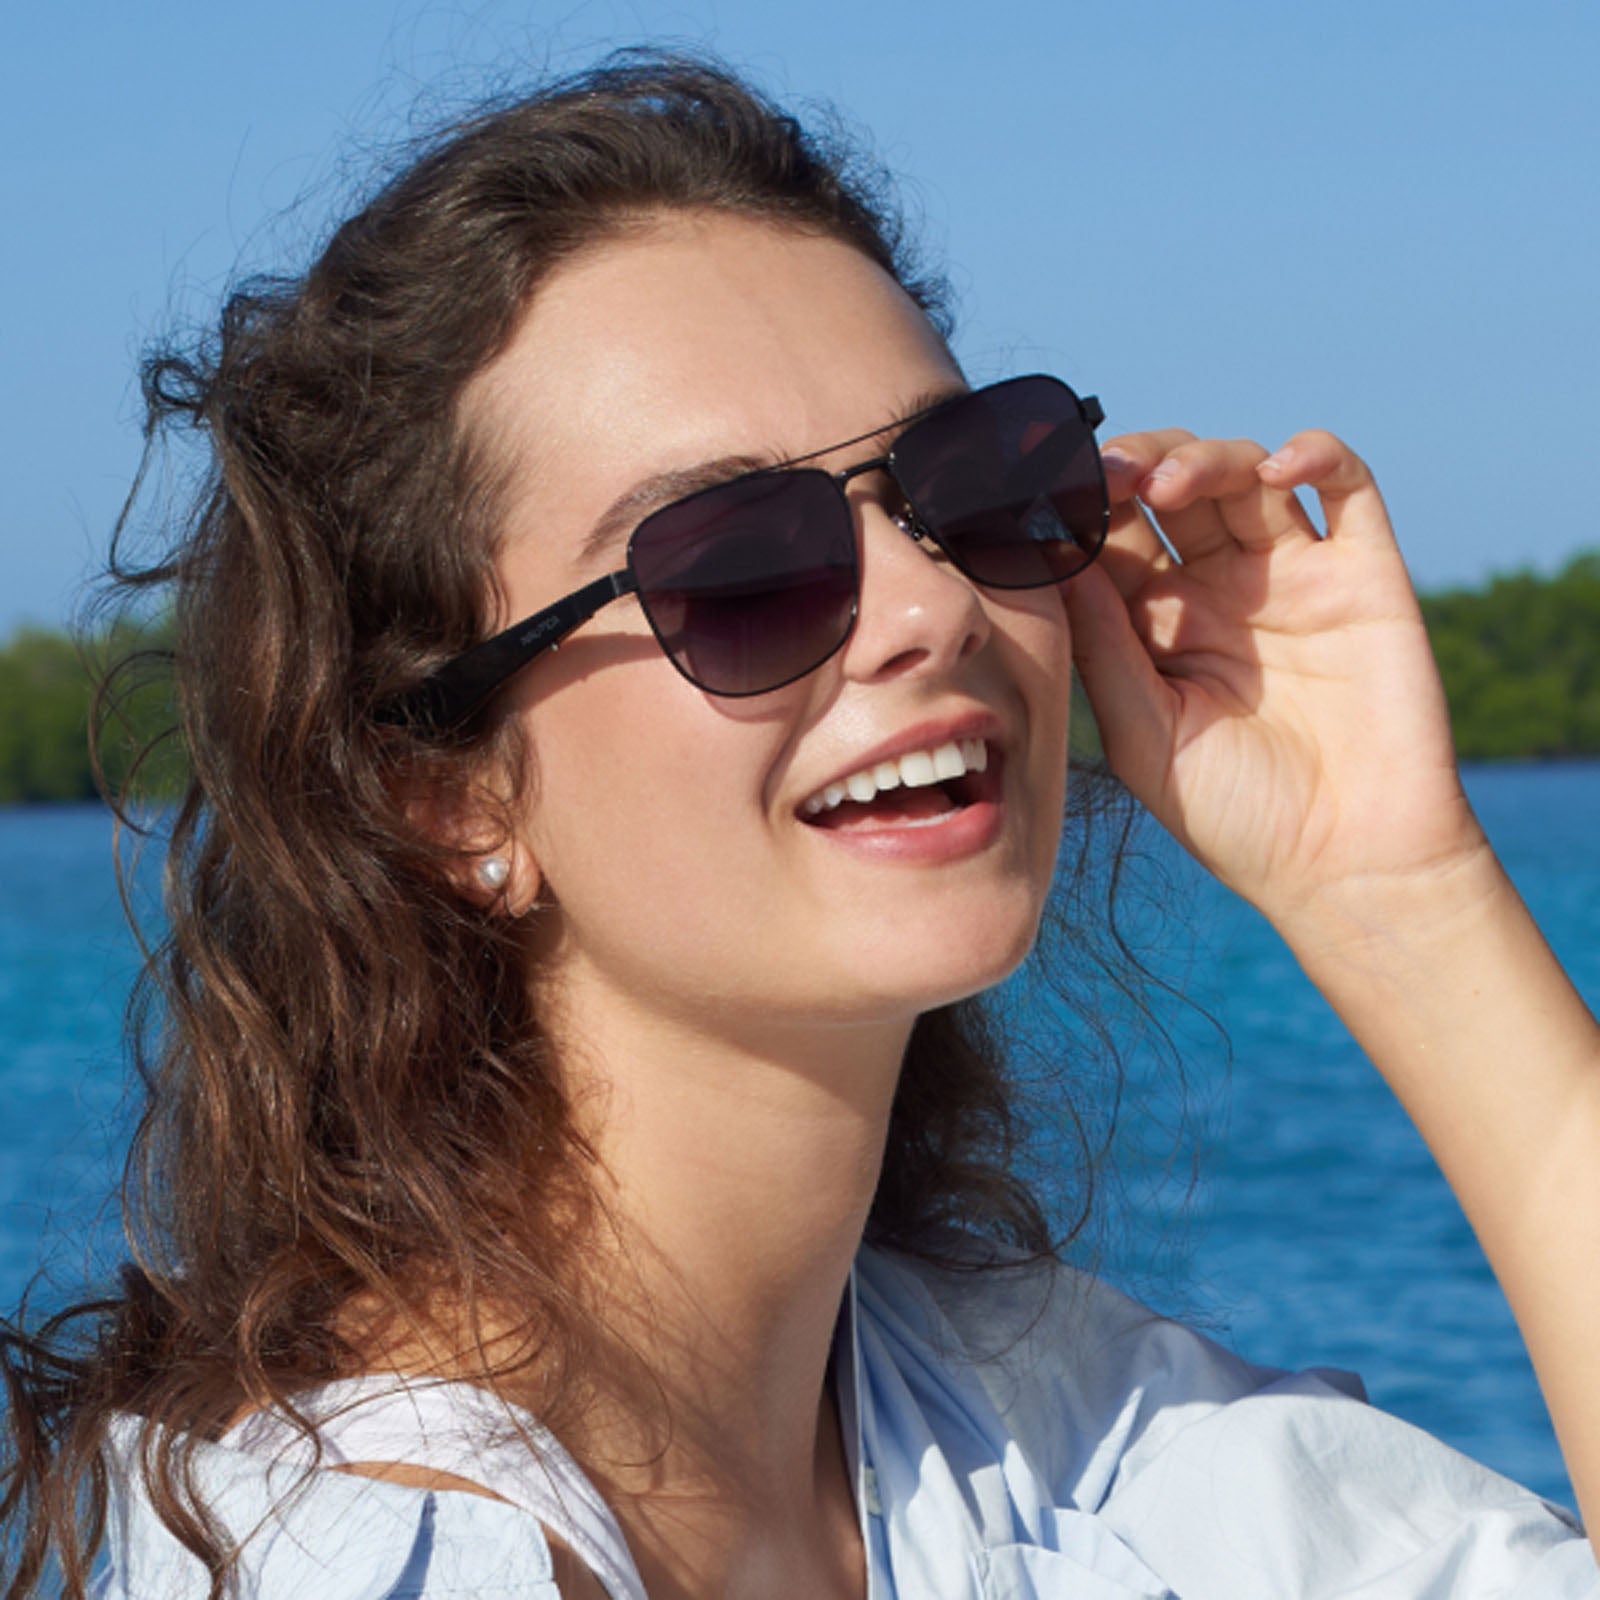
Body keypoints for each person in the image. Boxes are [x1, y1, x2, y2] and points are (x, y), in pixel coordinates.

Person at [4, 51, 1599, 1600]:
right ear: (446, 791)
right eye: (737, 564)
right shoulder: (367, 1558)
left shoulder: (1061, 1449)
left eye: (970, 489)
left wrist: (1400, 890)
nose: (928, 603)